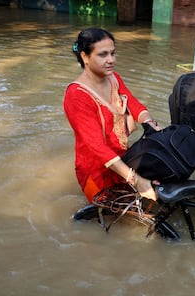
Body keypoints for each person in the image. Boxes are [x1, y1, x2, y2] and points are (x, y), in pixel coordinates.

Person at [63, 27, 160, 203]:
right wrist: (136, 181)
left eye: (113, 53)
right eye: (103, 55)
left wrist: (149, 123)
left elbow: (133, 103)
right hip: (96, 172)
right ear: (85, 57)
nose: (111, 60)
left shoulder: (113, 78)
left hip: (124, 161)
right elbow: (97, 147)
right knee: (122, 219)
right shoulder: (76, 95)